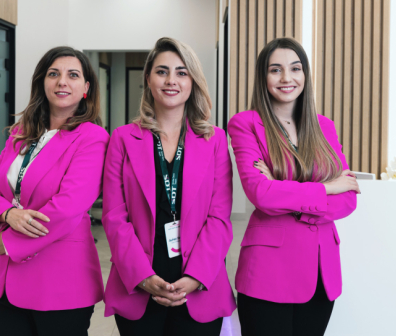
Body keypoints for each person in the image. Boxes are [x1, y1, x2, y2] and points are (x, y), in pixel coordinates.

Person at [102, 37, 236, 336]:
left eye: (181, 72)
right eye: (162, 71)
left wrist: (196, 277)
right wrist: (142, 277)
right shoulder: (122, 139)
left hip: (199, 284)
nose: (171, 80)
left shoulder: (214, 140)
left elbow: (219, 218)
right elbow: (114, 217)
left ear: (192, 81)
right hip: (139, 283)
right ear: (148, 79)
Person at [228, 38, 360, 336]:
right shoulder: (246, 124)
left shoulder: (324, 126)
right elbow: (260, 194)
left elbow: (348, 198)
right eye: (276, 69)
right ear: (263, 77)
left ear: (305, 74)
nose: (286, 78)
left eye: (295, 68)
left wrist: (281, 189)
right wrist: (327, 188)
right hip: (268, 272)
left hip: (321, 271)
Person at [0, 46, 109, 335]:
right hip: (7, 281)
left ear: (86, 88)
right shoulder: (21, 132)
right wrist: (8, 214)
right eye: (54, 74)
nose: (62, 81)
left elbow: (67, 208)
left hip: (60, 283)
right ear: (42, 82)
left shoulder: (93, 138)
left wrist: (9, 242)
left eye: (73, 75)